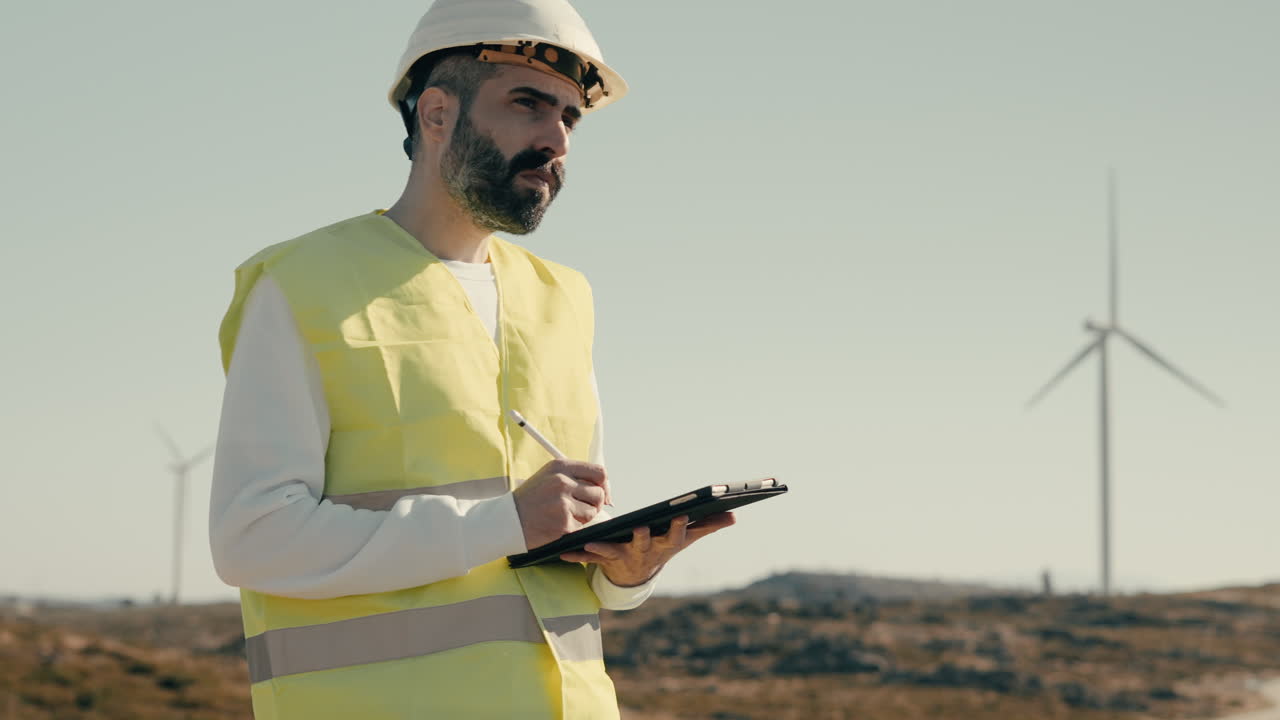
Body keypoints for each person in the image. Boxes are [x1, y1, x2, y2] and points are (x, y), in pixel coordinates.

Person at [208, 0, 736, 717]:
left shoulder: (563, 299)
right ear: (436, 114)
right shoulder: (302, 285)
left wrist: (626, 572)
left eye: (570, 118)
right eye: (527, 104)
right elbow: (252, 538)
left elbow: (563, 539)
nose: (556, 139)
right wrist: (504, 522)